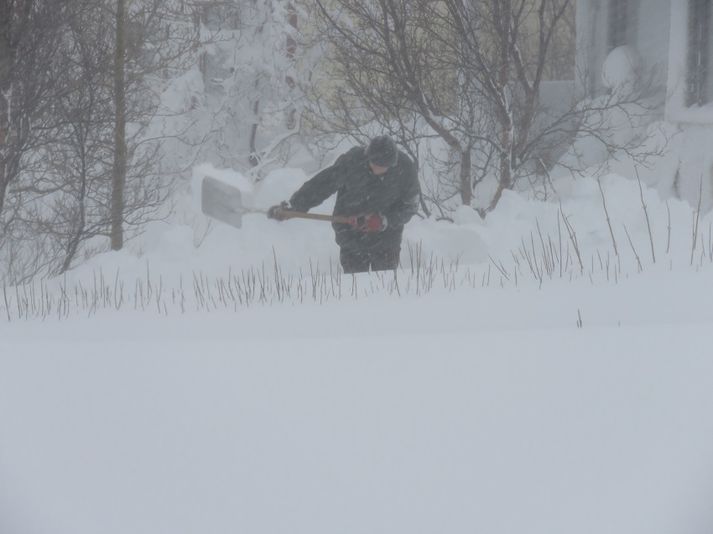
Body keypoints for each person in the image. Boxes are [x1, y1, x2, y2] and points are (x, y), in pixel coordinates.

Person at [268, 136, 420, 273]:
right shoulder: (352, 161)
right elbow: (322, 185)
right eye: (375, 163)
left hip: (387, 238)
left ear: (393, 163)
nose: (379, 169)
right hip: (350, 233)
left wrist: (384, 220)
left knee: (385, 285)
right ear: (368, 157)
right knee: (354, 286)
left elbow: (410, 206)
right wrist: (295, 206)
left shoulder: (405, 169)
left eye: (384, 166)